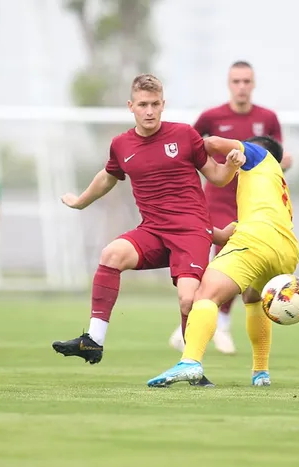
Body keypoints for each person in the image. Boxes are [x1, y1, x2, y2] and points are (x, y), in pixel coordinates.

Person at [51, 74, 242, 377]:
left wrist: (231, 164)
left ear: (163, 105)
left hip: (191, 230)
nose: (150, 111)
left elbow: (217, 177)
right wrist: (80, 201)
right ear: (131, 106)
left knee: (188, 298)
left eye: (155, 104)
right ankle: (93, 341)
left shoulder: (185, 136)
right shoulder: (121, 144)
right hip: (153, 230)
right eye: (143, 105)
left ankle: (192, 365)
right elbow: (107, 177)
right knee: (111, 254)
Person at [147, 135, 299, 388]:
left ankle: (190, 362)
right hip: (287, 250)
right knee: (253, 298)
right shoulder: (276, 179)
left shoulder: (259, 155)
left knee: (206, 295)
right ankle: (261, 373)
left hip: (256, 240)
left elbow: (213, 143)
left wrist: (180, 149)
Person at [170, 60, 291, 355]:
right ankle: (211, 321)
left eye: (246, 81)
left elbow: (275, 158)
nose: (241, 87)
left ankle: (216, 321)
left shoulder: (268, 118)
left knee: (245, 269)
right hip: (219, 198)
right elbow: (193, 147)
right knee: (223, 259)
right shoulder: (212, 116)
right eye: (236, 81)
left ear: (253, 84)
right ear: (229, 84)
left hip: (252, 206)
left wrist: (283, 164)